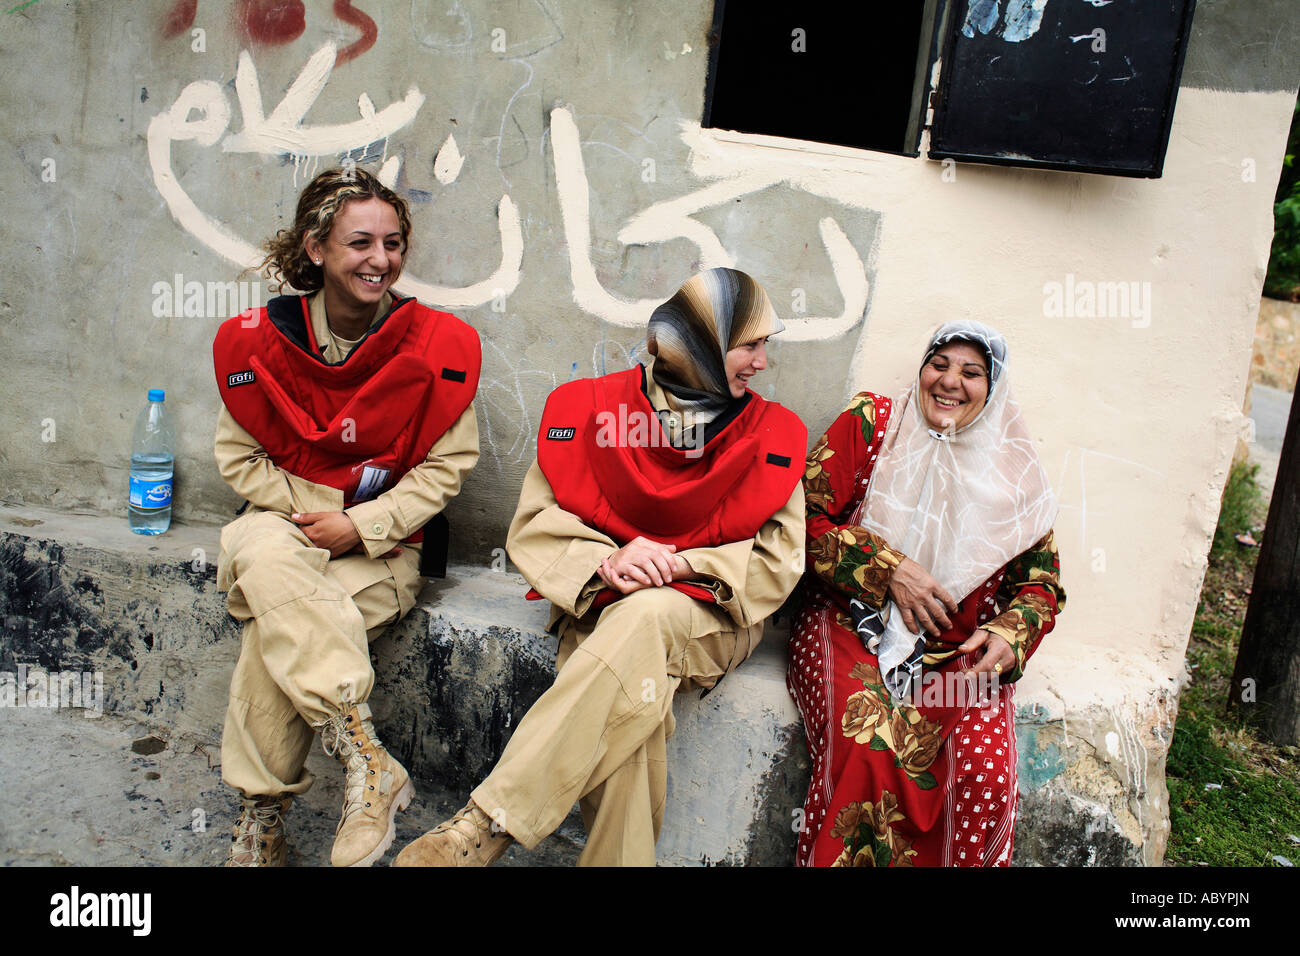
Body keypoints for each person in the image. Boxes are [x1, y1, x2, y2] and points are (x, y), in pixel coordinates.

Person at [394, 268, 806, 867]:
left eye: (766, 345)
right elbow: (534, 525)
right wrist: (607, 560)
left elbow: (778, 561)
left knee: (645, 617)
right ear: (701, 344)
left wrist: (676, 565)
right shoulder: (595, 410)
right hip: (600, 602)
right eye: (751, 344)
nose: (762, 363)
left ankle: (488, 822)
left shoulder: (773, 435)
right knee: (633, 717)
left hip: (713, 618)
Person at [211, 167, 481, 867]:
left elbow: (446, 468)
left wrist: (361, 527)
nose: (380, 260)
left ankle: (258, 827)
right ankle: (366, 757)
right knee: (262, 546)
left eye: (393, 243)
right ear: (316, 248)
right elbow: (240, 460)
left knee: (276, 630)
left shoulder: (436, 346)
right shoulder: (260, 343)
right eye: (360, 242)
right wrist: (325, 513)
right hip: (290, 529)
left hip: (383, 549)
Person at [787, 320, 1064, 867]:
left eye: (972, 372)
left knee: (981, 772)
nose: (950, 382)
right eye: (940, 364)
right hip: (849, 627)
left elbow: (1041, 585)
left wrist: (1012, 634)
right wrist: (887, 569)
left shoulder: (1015, 473)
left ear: (994, 388)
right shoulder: (874, 423)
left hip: (957, 656)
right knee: (868, 743)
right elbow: (797, 520)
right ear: (922, 368)